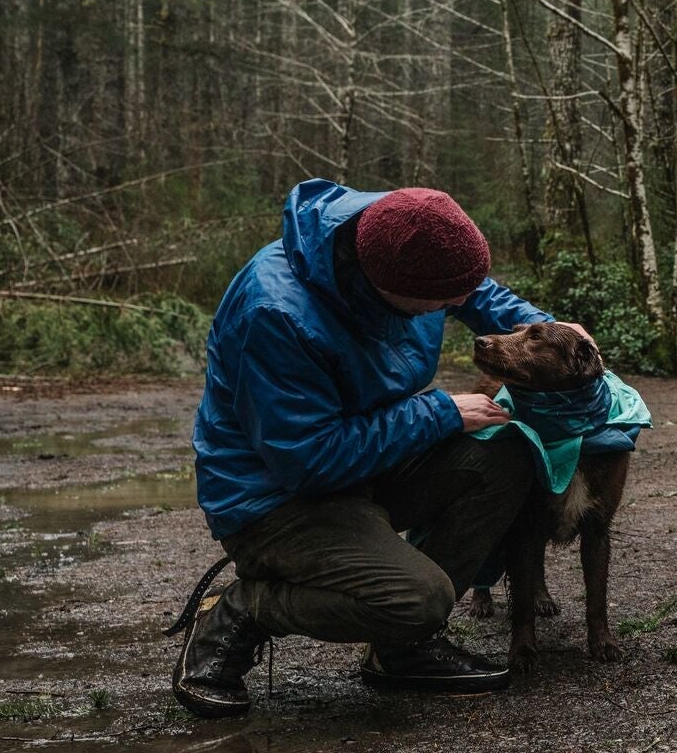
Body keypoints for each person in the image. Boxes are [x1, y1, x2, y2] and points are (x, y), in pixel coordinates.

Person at [173, 179, 583, 718]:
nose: (461, 303)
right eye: (444, 298)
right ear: (387, 285)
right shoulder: (274, 314)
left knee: (508, 452)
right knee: (419, 597)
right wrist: (440, 413)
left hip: (363, 462)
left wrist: (555, 333)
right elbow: (308, 459)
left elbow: (477, 291)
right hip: (278, 498)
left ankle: (400, 649)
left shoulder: (405, 234)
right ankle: (241, 610)